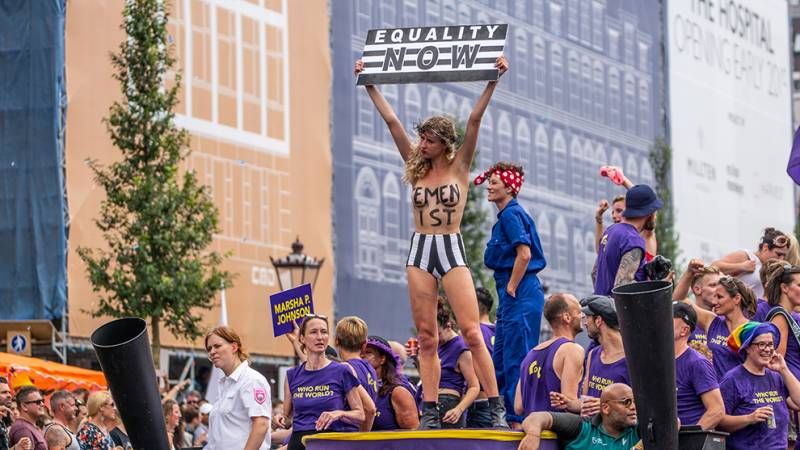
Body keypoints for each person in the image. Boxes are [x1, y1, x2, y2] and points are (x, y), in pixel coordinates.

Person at [355, 55, 510, 428]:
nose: (422, 143)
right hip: (420, 249)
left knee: (472, 331)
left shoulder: (459, 167)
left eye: (429, 139)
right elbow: (392, 122)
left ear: (444, 144)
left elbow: (474, 121)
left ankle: (494, 406)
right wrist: (369, 82)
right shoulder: (415, 165)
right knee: (426, 337)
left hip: (450, 246)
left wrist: (493, 80)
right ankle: (429, 412)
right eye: (422, 137)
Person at [476, 161, 547, 425]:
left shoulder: (510, 215)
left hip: (520, 290)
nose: (489, 186)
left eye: (494, 182)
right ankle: (508, 417)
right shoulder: (507, 215)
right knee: (503, 358)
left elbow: (524, 253)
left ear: (509, 187)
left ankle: (520, 419)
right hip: (512, 293)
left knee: (517, 356)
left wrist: (512, 286)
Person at [281, 315, 365, 450]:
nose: (320, 337)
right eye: (314, 332)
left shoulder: (342, 370)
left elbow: (360, 414)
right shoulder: (292, 375)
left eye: (324, 332)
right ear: (302, 338)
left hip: (329, 442)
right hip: (298, 443)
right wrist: (279, 419)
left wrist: (339, 413)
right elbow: (287, 419)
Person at [719, 321, 800, 449]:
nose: (767, 349)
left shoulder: (776, 377)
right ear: (747, 347)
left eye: (770, 344)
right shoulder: (732, 379)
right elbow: (719, 421)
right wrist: (749, 418)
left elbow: (798, 402)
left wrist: (784, 370)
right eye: (761, 344)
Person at [516, 293, 584, 416]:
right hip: (557, 433)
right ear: (567, 317)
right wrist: (598, 405)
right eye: (579, 312)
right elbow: (569, 403)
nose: (583, 316)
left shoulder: (530, 355)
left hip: (530, 429)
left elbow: (518, 407)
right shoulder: (572, 350)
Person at [204, 326, 271, 450]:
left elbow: (261, 424)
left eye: (217, 346)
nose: (212, 352)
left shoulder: (251, 380)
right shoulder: (225, 383)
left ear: (234, 347)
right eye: (209, 349)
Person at [517, 383, 640, 450]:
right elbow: (536, 417)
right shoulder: (582, 427)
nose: (633, 407)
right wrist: (533, 435)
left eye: (635, 402)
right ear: (606, 408)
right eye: (626, 402)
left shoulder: (638, 431)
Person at [679, 273, 755, 379]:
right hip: (716, 391)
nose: (714, 302)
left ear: (737, 298)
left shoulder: (753, 329)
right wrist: (689, 273)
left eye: (719, 297)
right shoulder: (711, 321)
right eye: (714, 296)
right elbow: (679, 299)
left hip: (743, 392)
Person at [593, 184, 662, 295]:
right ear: (650, 213)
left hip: (599, 308)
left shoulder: (610, 231)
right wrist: (658, 286)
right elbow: (622, 288)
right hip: (618, 311)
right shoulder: (634, 241)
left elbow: (594, 273)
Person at [571, 296, 629, 416]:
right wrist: (568, 403)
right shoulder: (593, 354)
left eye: (588, 318)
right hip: (592, 430)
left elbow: (641, 405)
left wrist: (607, 405)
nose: (585, 323)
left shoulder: (633, 359)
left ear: (598, 320)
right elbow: (585, 401)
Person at [672, 302, 724, 429]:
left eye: (667, 320)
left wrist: (690, 437)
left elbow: (717, 410)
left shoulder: (697, 363)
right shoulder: (658, 361)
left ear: (684, 330)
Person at [433, 297, 480, 429]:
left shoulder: (460, 348)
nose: (435, 338)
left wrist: (459, 409)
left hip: (449, 406)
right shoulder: (436, 345)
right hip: (432, 403)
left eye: (438, 333)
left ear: (448, 326)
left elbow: (474, 386)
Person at [713, 227, 790, 299]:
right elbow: (713, 267)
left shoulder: (775, 269)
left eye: (784, 256)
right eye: (778, 254)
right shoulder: (747, 256)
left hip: (758, 311)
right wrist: (741, 266)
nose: (781, 259)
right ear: (765, 248)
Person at [362, 336, 419, 430]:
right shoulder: (357, 388)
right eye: (361, 353)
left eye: (368, 352)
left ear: (382, 359)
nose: (362, 356)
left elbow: (413, 434)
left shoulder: (398, 392)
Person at [333, 316, 378, 431]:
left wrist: (362, 437)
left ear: (336, 341)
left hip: (347, 435)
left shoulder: (345, 369)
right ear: (364, 344)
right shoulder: (371, 369)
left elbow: (370, 409)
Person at [672, 261, 722, 352]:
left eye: (720, 286)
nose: (718, 290)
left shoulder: (724, 320)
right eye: (713, 285)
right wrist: (689, 273)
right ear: (697, 289)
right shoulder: (684, 317)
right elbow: (676, 300)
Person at [467, 286, 497, 428]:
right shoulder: (500, 333)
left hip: (478, 403)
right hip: (498, 403)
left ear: (476, 305)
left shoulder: (472, 334)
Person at [9, 386, 46, 450]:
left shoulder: (28, 426)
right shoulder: (22, 428)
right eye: (38, 402)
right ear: (24, 406)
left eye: (42, 401)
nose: (42, 404)